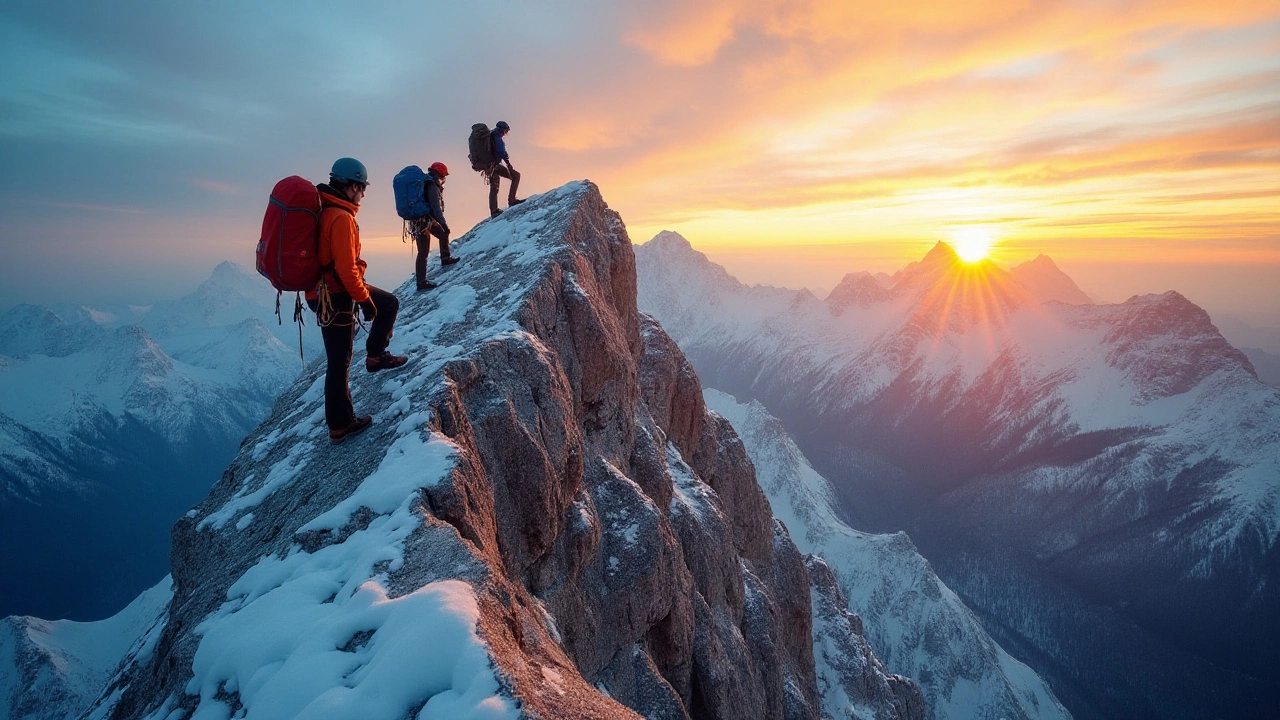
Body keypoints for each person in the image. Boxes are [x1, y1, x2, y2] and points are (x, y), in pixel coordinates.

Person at [306, 157, 408, 444]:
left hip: (326, 291)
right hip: (335, 294)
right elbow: (346, 268)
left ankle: (375, 355)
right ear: (351, 186)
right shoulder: (340, 218)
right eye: (362, 188)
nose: (363, 194)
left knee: (388, 303)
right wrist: (363, 300)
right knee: (339, 361)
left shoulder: (326, 209)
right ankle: (340, 424)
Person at [410, 161, 457, 291]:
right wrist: (443, 223)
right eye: (443, 176)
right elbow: (435, 207)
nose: (443, 179)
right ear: (440, 174)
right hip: (425, 221)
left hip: (418, 221)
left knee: (441, 235)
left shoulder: (424, 184)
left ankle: (445, 258)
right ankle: (421, 282)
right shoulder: (432, 186)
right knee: (424, 251)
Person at [486, 120, 524, 217]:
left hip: (487, 165)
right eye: (506, 132)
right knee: (516, 176)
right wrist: (508, 163)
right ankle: (511, 200)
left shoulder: (490, 135)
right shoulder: (496, 136)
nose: (505, 134)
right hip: (494, 165)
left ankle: (493, 210)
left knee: (494, 186)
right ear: (502, 130)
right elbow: (501, 151)